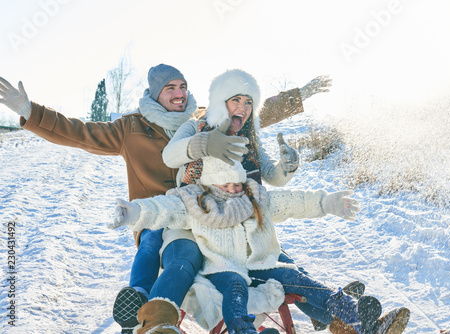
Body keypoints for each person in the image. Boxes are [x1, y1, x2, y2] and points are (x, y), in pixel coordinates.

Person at [0, 66, 332, 333]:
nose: (179, 93)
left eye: (183, 86)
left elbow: (251, 111)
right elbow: (80, 132)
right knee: (161, 249)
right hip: (159, 213)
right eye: (170, 88)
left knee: (274, 255)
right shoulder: (131, 128)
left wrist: (298, 96)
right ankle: (143, 306)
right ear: (156, 94)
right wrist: (30, 112)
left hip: (211, 212)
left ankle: (328, 308)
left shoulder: (204, 117)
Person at [110, 155, 406, 334]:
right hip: (223, 267)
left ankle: (360, 320)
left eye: (236, 183)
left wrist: (326, 203)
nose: (233, 190)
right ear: (211, 183)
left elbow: (291, 202)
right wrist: (134, 212)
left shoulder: (254, 198)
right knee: (235, 292)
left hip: (261, 262)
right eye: (225, 185)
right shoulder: (195, 203)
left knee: (298, 279)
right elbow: (163, 209)